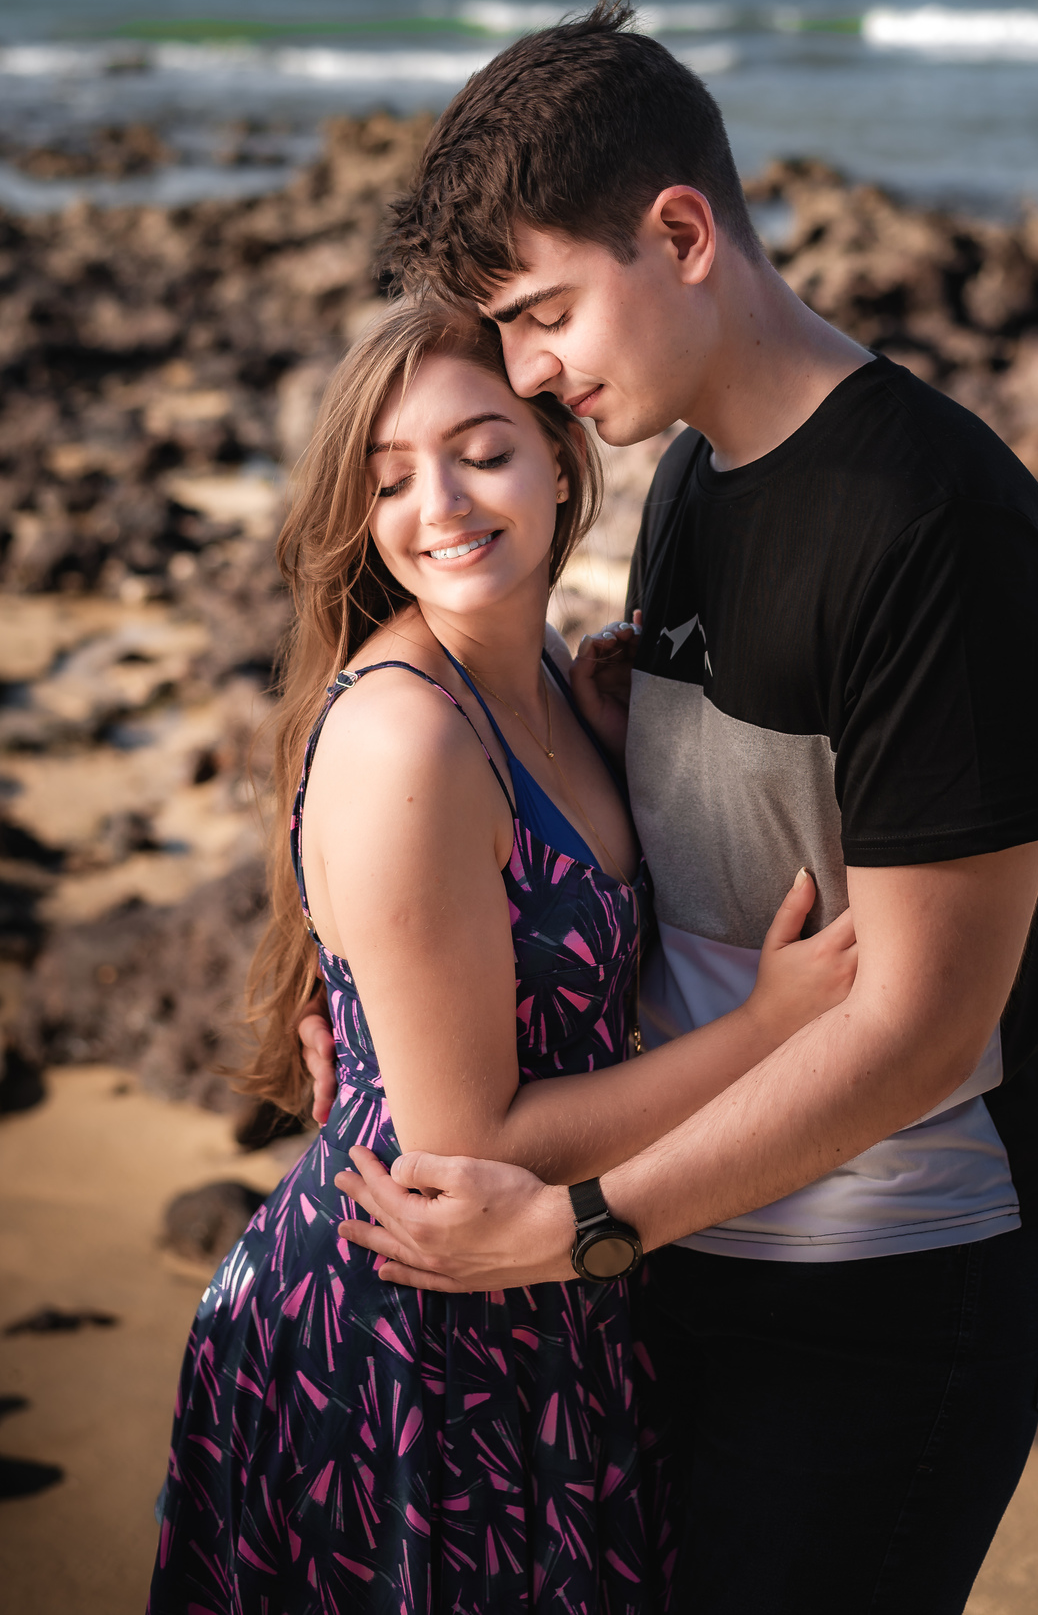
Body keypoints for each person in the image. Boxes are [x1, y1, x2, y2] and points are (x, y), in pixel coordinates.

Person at [315, 0, 1038, 1615]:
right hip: (685, 1256)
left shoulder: (939, 526)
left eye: (541, 317)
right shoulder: (687, 479)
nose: (527, 374)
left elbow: (928, 1028)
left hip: (886, 1278)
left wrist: (583, 1224)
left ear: (679, 232)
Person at [147, 298, 858, 1613]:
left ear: (558, 454)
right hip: (395, 1340)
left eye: (481, 449)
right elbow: (470, 1132)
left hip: (539, 1298)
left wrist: (622, 743)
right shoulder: (411, 736)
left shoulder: (534, 669)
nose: (441, 506)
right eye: (390, 478)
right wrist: (770, 1027)